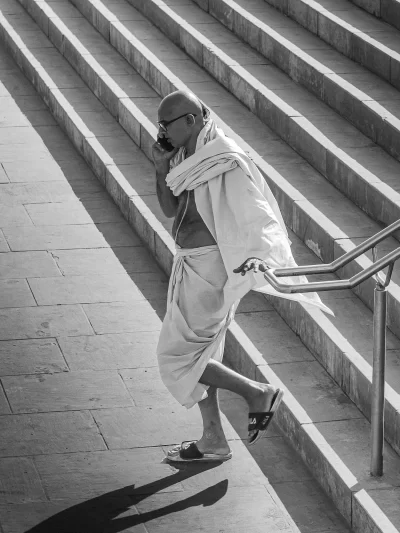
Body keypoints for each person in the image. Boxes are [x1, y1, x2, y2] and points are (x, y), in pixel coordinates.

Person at [151, 90, 331, 463]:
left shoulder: (223, 157)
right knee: (203, 354)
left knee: (176, 357)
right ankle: (213, 439)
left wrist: (258, 256)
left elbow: (256, 209)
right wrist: (160, 168)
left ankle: (256, 392)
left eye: (165, 125)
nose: (162, 133)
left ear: (190, 119)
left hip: (209, 268)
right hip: (189, 262)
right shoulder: (186, 155)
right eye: (160, 126)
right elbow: (171, 209)